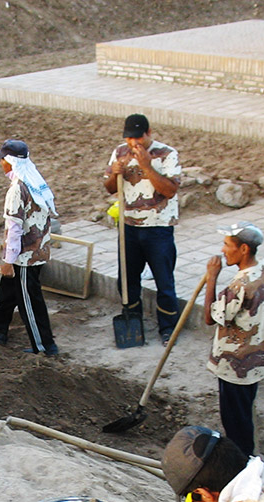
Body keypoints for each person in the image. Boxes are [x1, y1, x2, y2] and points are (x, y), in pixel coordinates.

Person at [203, 222, 264, 458]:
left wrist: (212, 279)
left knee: (235, 419)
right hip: (260, 355)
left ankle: (242, 461)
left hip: (237, 363)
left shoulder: (239, 286)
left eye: (227, 245)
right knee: (244, 407)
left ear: (244, 249)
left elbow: (209, 317)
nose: (223, 250)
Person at [103, 114, 181, 341]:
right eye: (129, 139)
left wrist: (147, 165)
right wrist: (115, 174)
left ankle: (167, 327)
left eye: (138, 138)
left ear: (149, 133)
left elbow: (169, 190)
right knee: (126, 279)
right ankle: (133, 320)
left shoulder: (167, 154)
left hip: (159, 228)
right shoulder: (119, 152)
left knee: (164, 280)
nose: (133, 144)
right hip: (129, 227)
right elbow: (109, 188)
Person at [0, 139, 59, 356]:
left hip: (25, 257)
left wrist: (8, 262)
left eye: (2, 160)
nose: (1, 164)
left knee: (30, 303)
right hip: (38, 251)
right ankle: (0, 330)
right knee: (7, 293)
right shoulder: (35, 182)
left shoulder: (18, 189)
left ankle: (44, 347)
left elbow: (15, 228)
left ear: (10, 161)